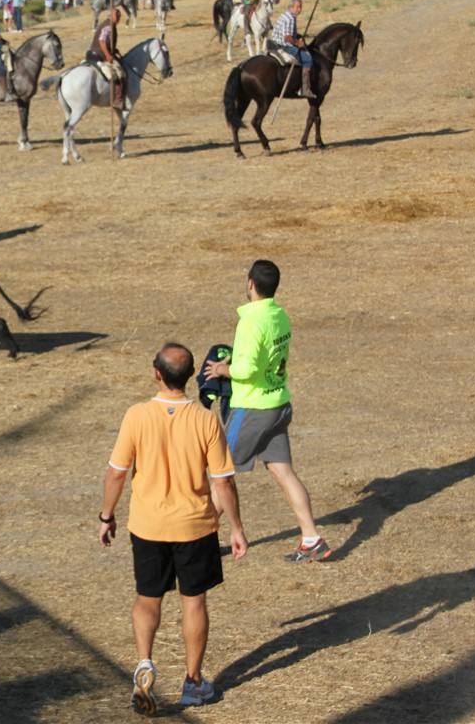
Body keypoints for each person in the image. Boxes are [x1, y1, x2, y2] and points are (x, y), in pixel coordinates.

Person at [99, 343, 247, 715]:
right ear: (191, 375)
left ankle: (145, 663)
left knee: (148, 599)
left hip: (148, 526)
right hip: (194, 527)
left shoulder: (136, 416)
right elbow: (223, 482)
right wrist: (237, 528)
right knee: (193, 602)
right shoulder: (205, 419)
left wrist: (107, 515)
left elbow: (117, 472)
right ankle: (193, 683)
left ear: (156, 373)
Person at [202, 260, 329, 564]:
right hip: (278, 405)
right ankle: (311, 538)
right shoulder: (279, 315)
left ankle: (198, 540)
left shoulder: (250, 321)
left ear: (250, 284)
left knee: (220, 474)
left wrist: (222, 368)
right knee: (282, 470)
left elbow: (245, 369)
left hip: (253, 409)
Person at [269, 0, 316, 99]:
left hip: (275, 42)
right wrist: (297, 43)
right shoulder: (290, 18)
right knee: (308, 59)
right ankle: (305, 89)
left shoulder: (287, 15)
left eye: (300, 7)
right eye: (297, 7)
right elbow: (287, 37)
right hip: (284, 45)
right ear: (291, 7)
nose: (299, 9)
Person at [90, 7, 124, 110]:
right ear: (111, 16)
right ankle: (117, 100)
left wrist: (114, 50)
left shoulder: (110, 24)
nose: (118, 18)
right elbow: (102, 41)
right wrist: (108, 55)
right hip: (99, 55)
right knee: (119, 73)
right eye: (116, 16)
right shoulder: (108, 26)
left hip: (94, 53)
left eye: (119, 16)